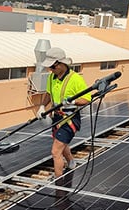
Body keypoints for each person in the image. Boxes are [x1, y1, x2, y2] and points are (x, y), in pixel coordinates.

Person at [37, 47, 91, 178]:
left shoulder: (75, 79)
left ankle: (59, 182)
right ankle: (71, 162)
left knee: (56, 152)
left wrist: (73, 102)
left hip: (70, 119)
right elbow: (48, 93)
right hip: (57, 118)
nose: (50, 69)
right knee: (61, 143)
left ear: (61, 64)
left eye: (52, 66)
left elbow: (87, 99)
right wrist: (42, 106)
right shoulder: (52, 77)